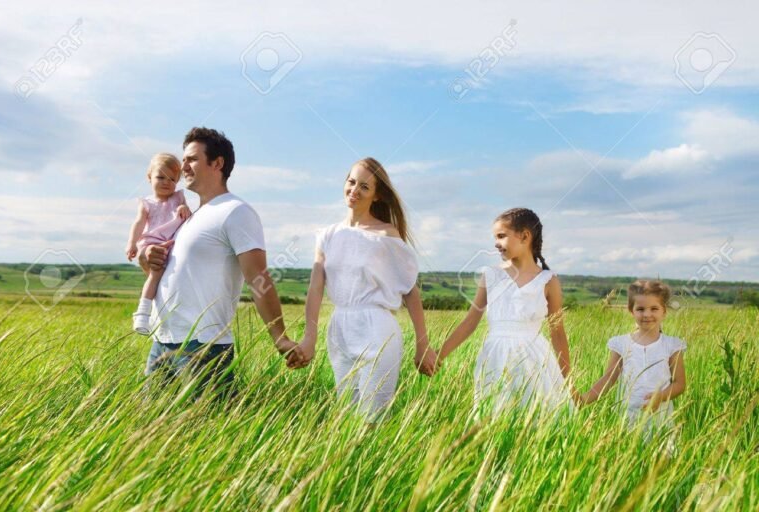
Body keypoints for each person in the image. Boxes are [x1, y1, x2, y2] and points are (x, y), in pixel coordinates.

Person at [140, 127, 302, 394]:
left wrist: (280, 338)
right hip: (163, 340)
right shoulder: (189, 218)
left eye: (191, 159)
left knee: (205, 428)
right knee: (149, 427)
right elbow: (164, 269)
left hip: (203, 346)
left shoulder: (235, 212)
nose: (184, 167)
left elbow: (258, 279)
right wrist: (148, 257)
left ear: (217, 163)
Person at [292, 157, 438, 421]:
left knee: (372, 417)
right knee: (346, 415)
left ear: (377, 195)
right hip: (340, 328)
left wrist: (423, 345)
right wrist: (309, 337)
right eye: (351, 182)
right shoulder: (327, 235)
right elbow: (315, 288)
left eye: (364, 187)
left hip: (377, 327)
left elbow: (411, 291)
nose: (354, 190)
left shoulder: (386, 235)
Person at [438, 208, 572, 416]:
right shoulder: (490, 275)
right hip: (495, 357)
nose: (495, 243)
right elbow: (470, 322)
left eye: (501, 236)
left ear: (525, 236)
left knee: (534, 414)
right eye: (495, 237)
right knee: (494, 414)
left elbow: (558, 333)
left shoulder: (548, 281)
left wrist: (567, 380)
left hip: (535, 359)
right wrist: (439, 355)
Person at [579, 280, 686, 442]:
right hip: (627, 415)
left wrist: (661, 396)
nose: (647, 314)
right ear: (631, 311)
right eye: (640, 309)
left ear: (664, 311)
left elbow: (679, 383)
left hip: (660, 416)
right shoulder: (621, 344)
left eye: (654, 309)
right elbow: (608, 378)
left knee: (660, 460)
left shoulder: (671, 345)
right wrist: (584, 399)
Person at [125, 153, 191, 334]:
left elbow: (187, 214)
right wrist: (132, 244)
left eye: (172, 179)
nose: (166, 182)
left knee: (169, 279)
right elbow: (138, 223)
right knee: (156, 275)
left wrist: (183, 208)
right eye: (160, 177)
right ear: (149, 177)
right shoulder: (146, 203)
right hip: (152, 242)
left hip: (172, 243)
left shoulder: (178, 198)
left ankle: (160, 317)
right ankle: (142, 313)